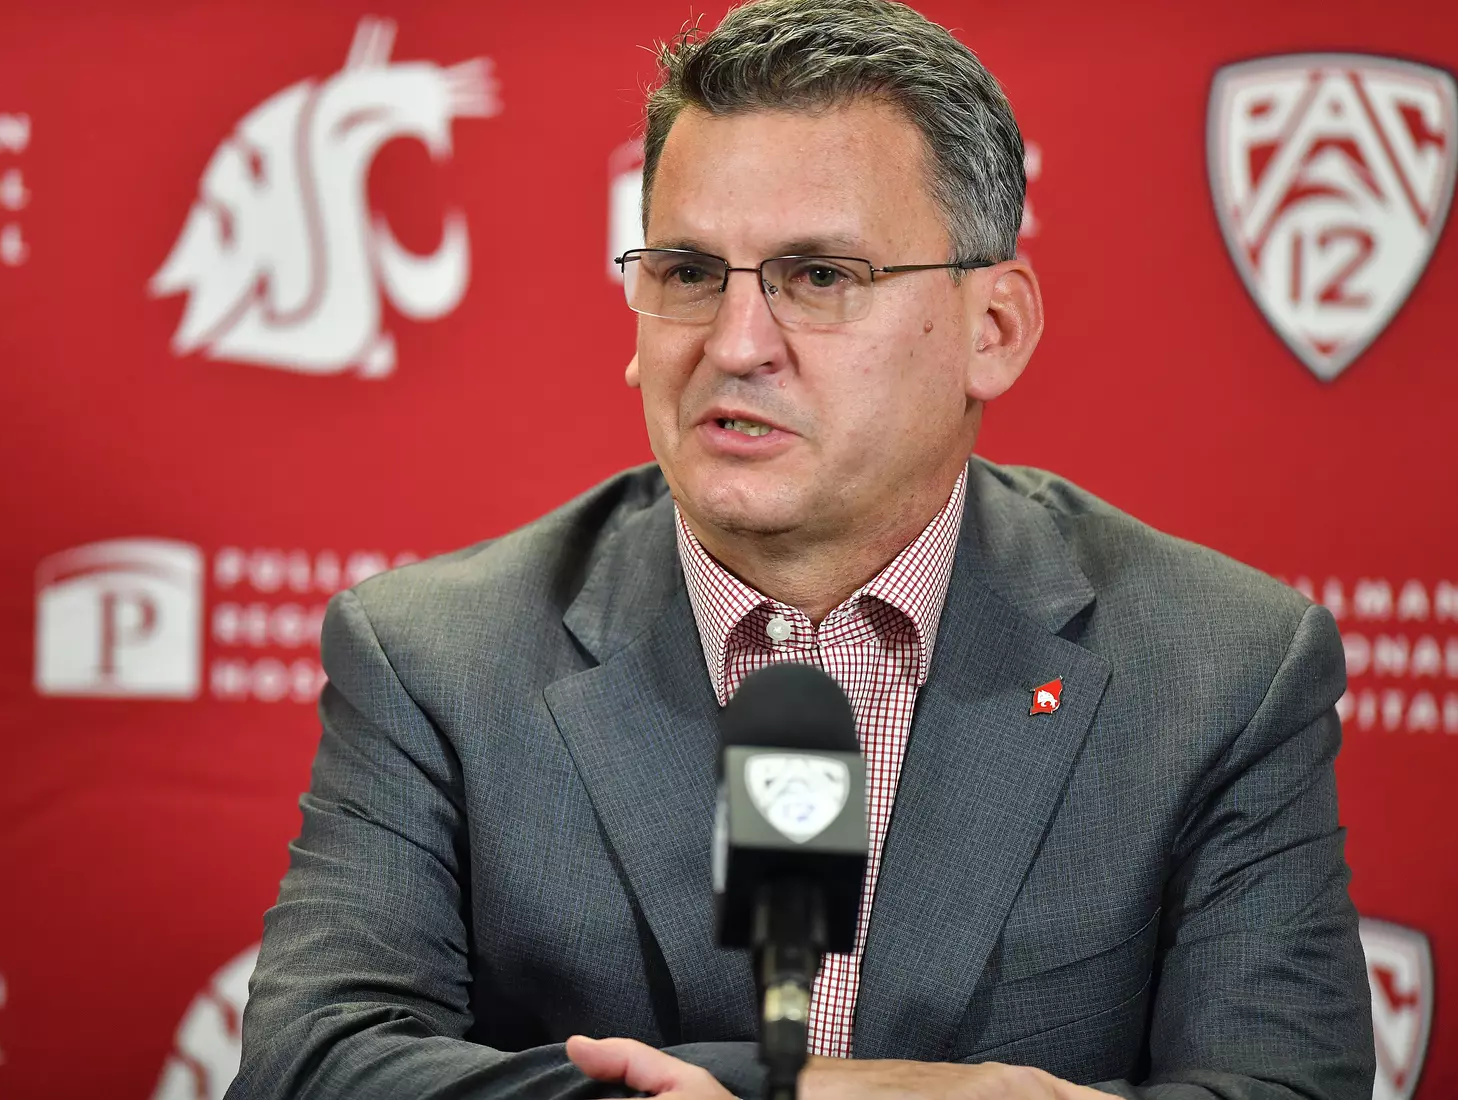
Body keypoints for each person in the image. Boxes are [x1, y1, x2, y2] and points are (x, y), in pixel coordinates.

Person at [228, 1, 1374, 1097]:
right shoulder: (438, 657)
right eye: (688, 274)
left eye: (819, 276)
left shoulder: (1219, 670)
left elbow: (1283, 1083)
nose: (736, 344)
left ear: (993, 328)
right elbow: (311, 1065)